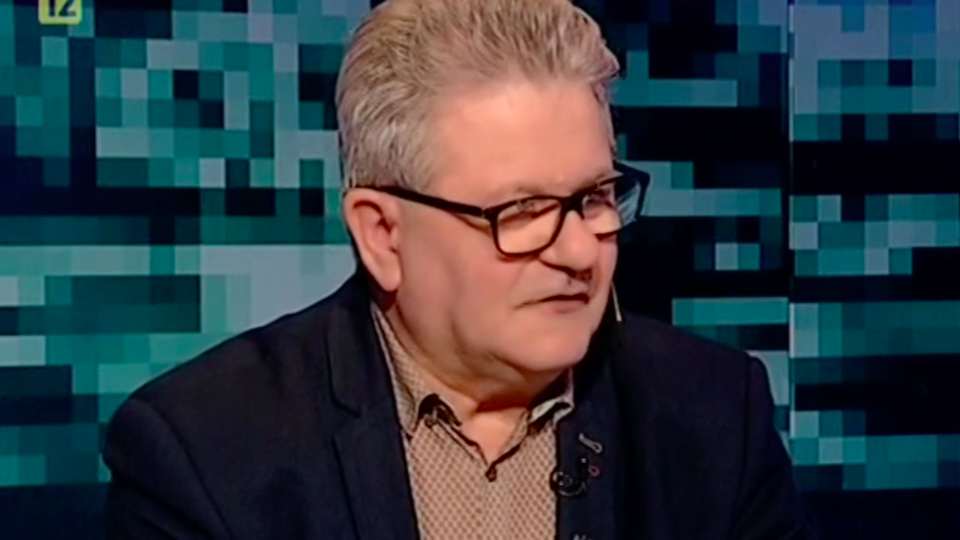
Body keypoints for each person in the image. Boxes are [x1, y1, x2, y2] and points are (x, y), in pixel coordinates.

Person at [102, 0, 818, 538]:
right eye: (522, 210)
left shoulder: (715, 418)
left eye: (595, 198)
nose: (578, 252)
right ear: (382, 235)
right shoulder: (204, 453)